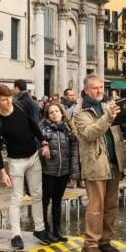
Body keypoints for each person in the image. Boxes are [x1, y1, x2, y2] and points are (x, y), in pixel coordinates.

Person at [73, 75, 126, 252]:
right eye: (95, 88)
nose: (100, 90)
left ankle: (105, 240)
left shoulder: (107, 103)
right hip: (95, 163)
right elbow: (90, 133)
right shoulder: (80, 111)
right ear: (86, 90)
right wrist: (107, 117)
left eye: (101, 87)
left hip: (114, 160)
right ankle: (90, 243)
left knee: (111, 205)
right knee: (95, 207)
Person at [0, 83, 53, 250]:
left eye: (9, 97)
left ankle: (39, 230)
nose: (8, 101)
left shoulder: (20, 107)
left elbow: (33, 126)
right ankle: (16, 234)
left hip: (33, 156)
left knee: (38, 194)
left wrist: (44, 142)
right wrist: (2, 173)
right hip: (16, 161)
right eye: (4, 99)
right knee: (16, 198)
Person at [40, 102, 79, 242]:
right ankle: (45, 229)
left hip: (63, 172)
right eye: (51, 112)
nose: (54, 113)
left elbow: (74, 154)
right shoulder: (43, 131)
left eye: (57, 111)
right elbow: (37, 152)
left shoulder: (68, 130)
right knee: (45, 201)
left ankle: (57, 230)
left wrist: (74, 174)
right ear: (47, 116)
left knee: (57, 202)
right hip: (48, 172)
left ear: (62, 113)